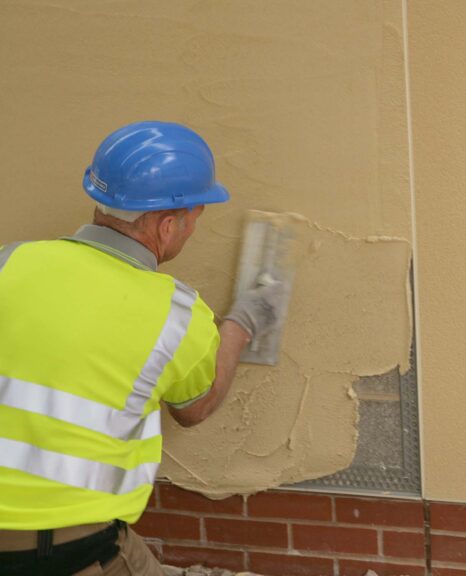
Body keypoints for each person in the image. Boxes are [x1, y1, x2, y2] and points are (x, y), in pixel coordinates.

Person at [0, 121, 278, 575]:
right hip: (65, 548)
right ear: (168, 225)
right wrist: (241, 326)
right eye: (194, 222)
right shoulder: (177, 313)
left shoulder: (11, 261)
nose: (190, 233)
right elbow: (194, 408)